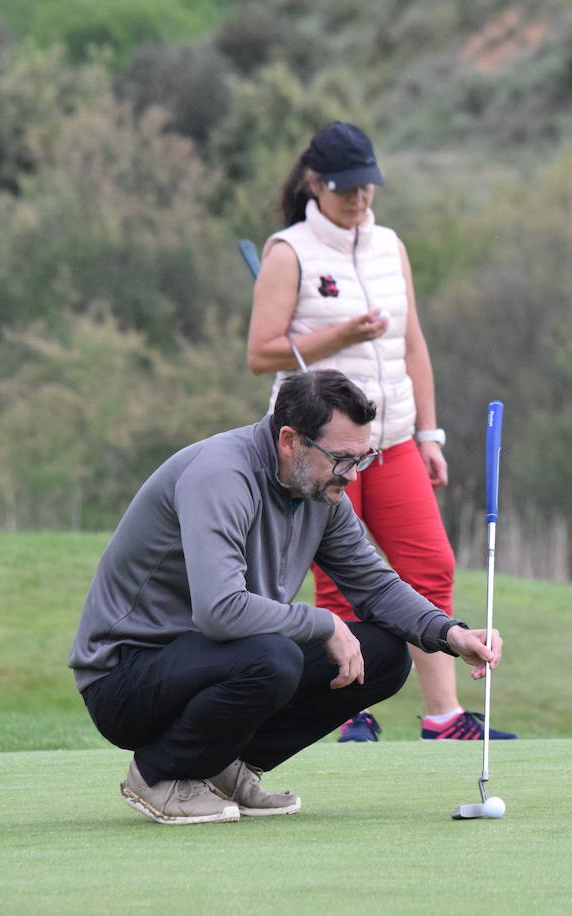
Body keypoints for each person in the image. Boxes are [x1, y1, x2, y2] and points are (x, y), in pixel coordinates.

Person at [68, 370, 504, 825]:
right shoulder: (221, 475)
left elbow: (375, 585)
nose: (352, 476)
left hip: (212, 663)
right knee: (273, 657)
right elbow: (219, 611)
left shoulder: (321, 491)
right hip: (125, 679)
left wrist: (449, 633)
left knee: (384, 656)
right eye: (341, 459)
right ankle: (160, 775)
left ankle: (221, 767)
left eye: (362, 458)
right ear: (290, 441)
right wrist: (323, 623)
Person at [247, 121, 515, 742]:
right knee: (340, 582)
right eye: (347, 191)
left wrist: (430, 433)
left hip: (392, 440)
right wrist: (342, 336)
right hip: (322, 449)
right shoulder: (288, 252)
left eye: (368, 188)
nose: (360, 201)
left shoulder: (389, 244)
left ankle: (444, 717)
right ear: (317, 184)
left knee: (430, 564)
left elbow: (412, 343)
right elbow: (262, 353)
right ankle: (347, 714)